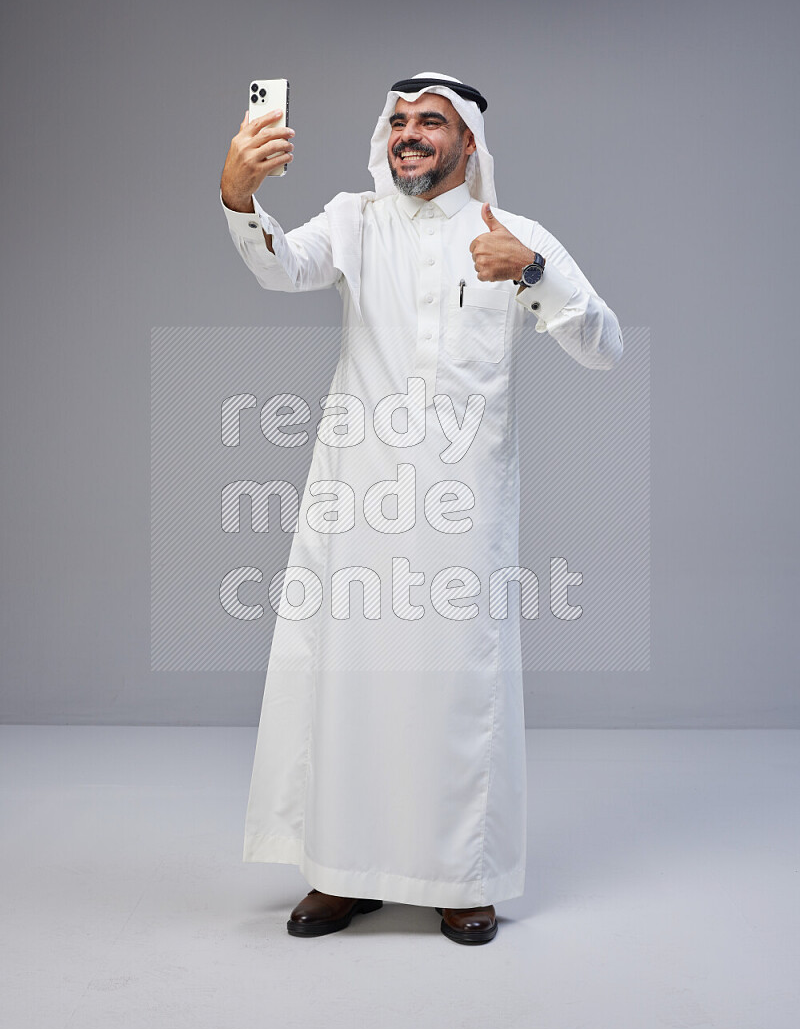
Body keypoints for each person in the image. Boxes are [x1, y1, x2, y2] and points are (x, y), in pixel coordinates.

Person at [220, 71, 623, 945]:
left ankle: (458, 876)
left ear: (467, 144)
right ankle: (338, 872)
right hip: (356, 498)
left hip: (462, 510)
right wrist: (238, 197)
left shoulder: (514, 234)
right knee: (348, 684)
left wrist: (536, 273)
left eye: (431, 122)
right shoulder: (354, 222)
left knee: (451, 692)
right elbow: (286, 267)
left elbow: (604, 346)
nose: (410, 133)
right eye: (398, 121)